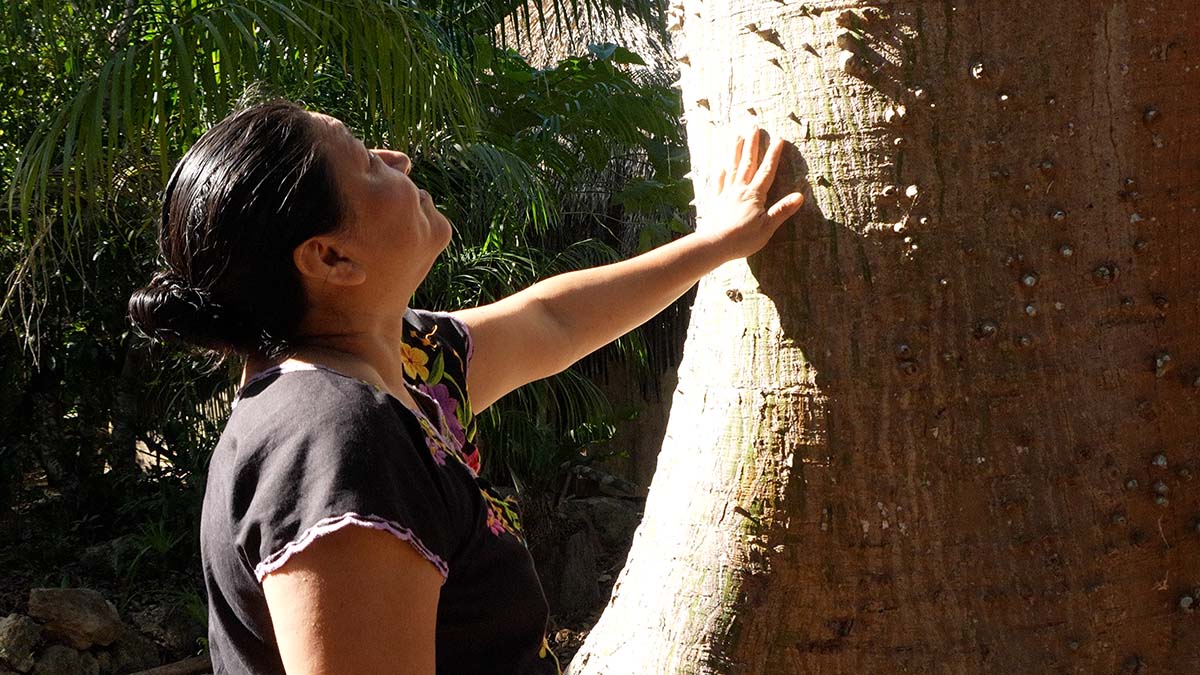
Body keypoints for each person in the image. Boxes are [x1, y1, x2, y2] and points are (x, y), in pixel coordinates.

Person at [127, 100, 803, 675]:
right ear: (331, 258)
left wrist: (717, 242)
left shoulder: (405, 360)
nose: (398, 159)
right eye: (365, 161)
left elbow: (553, 320)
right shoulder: (333, 440)